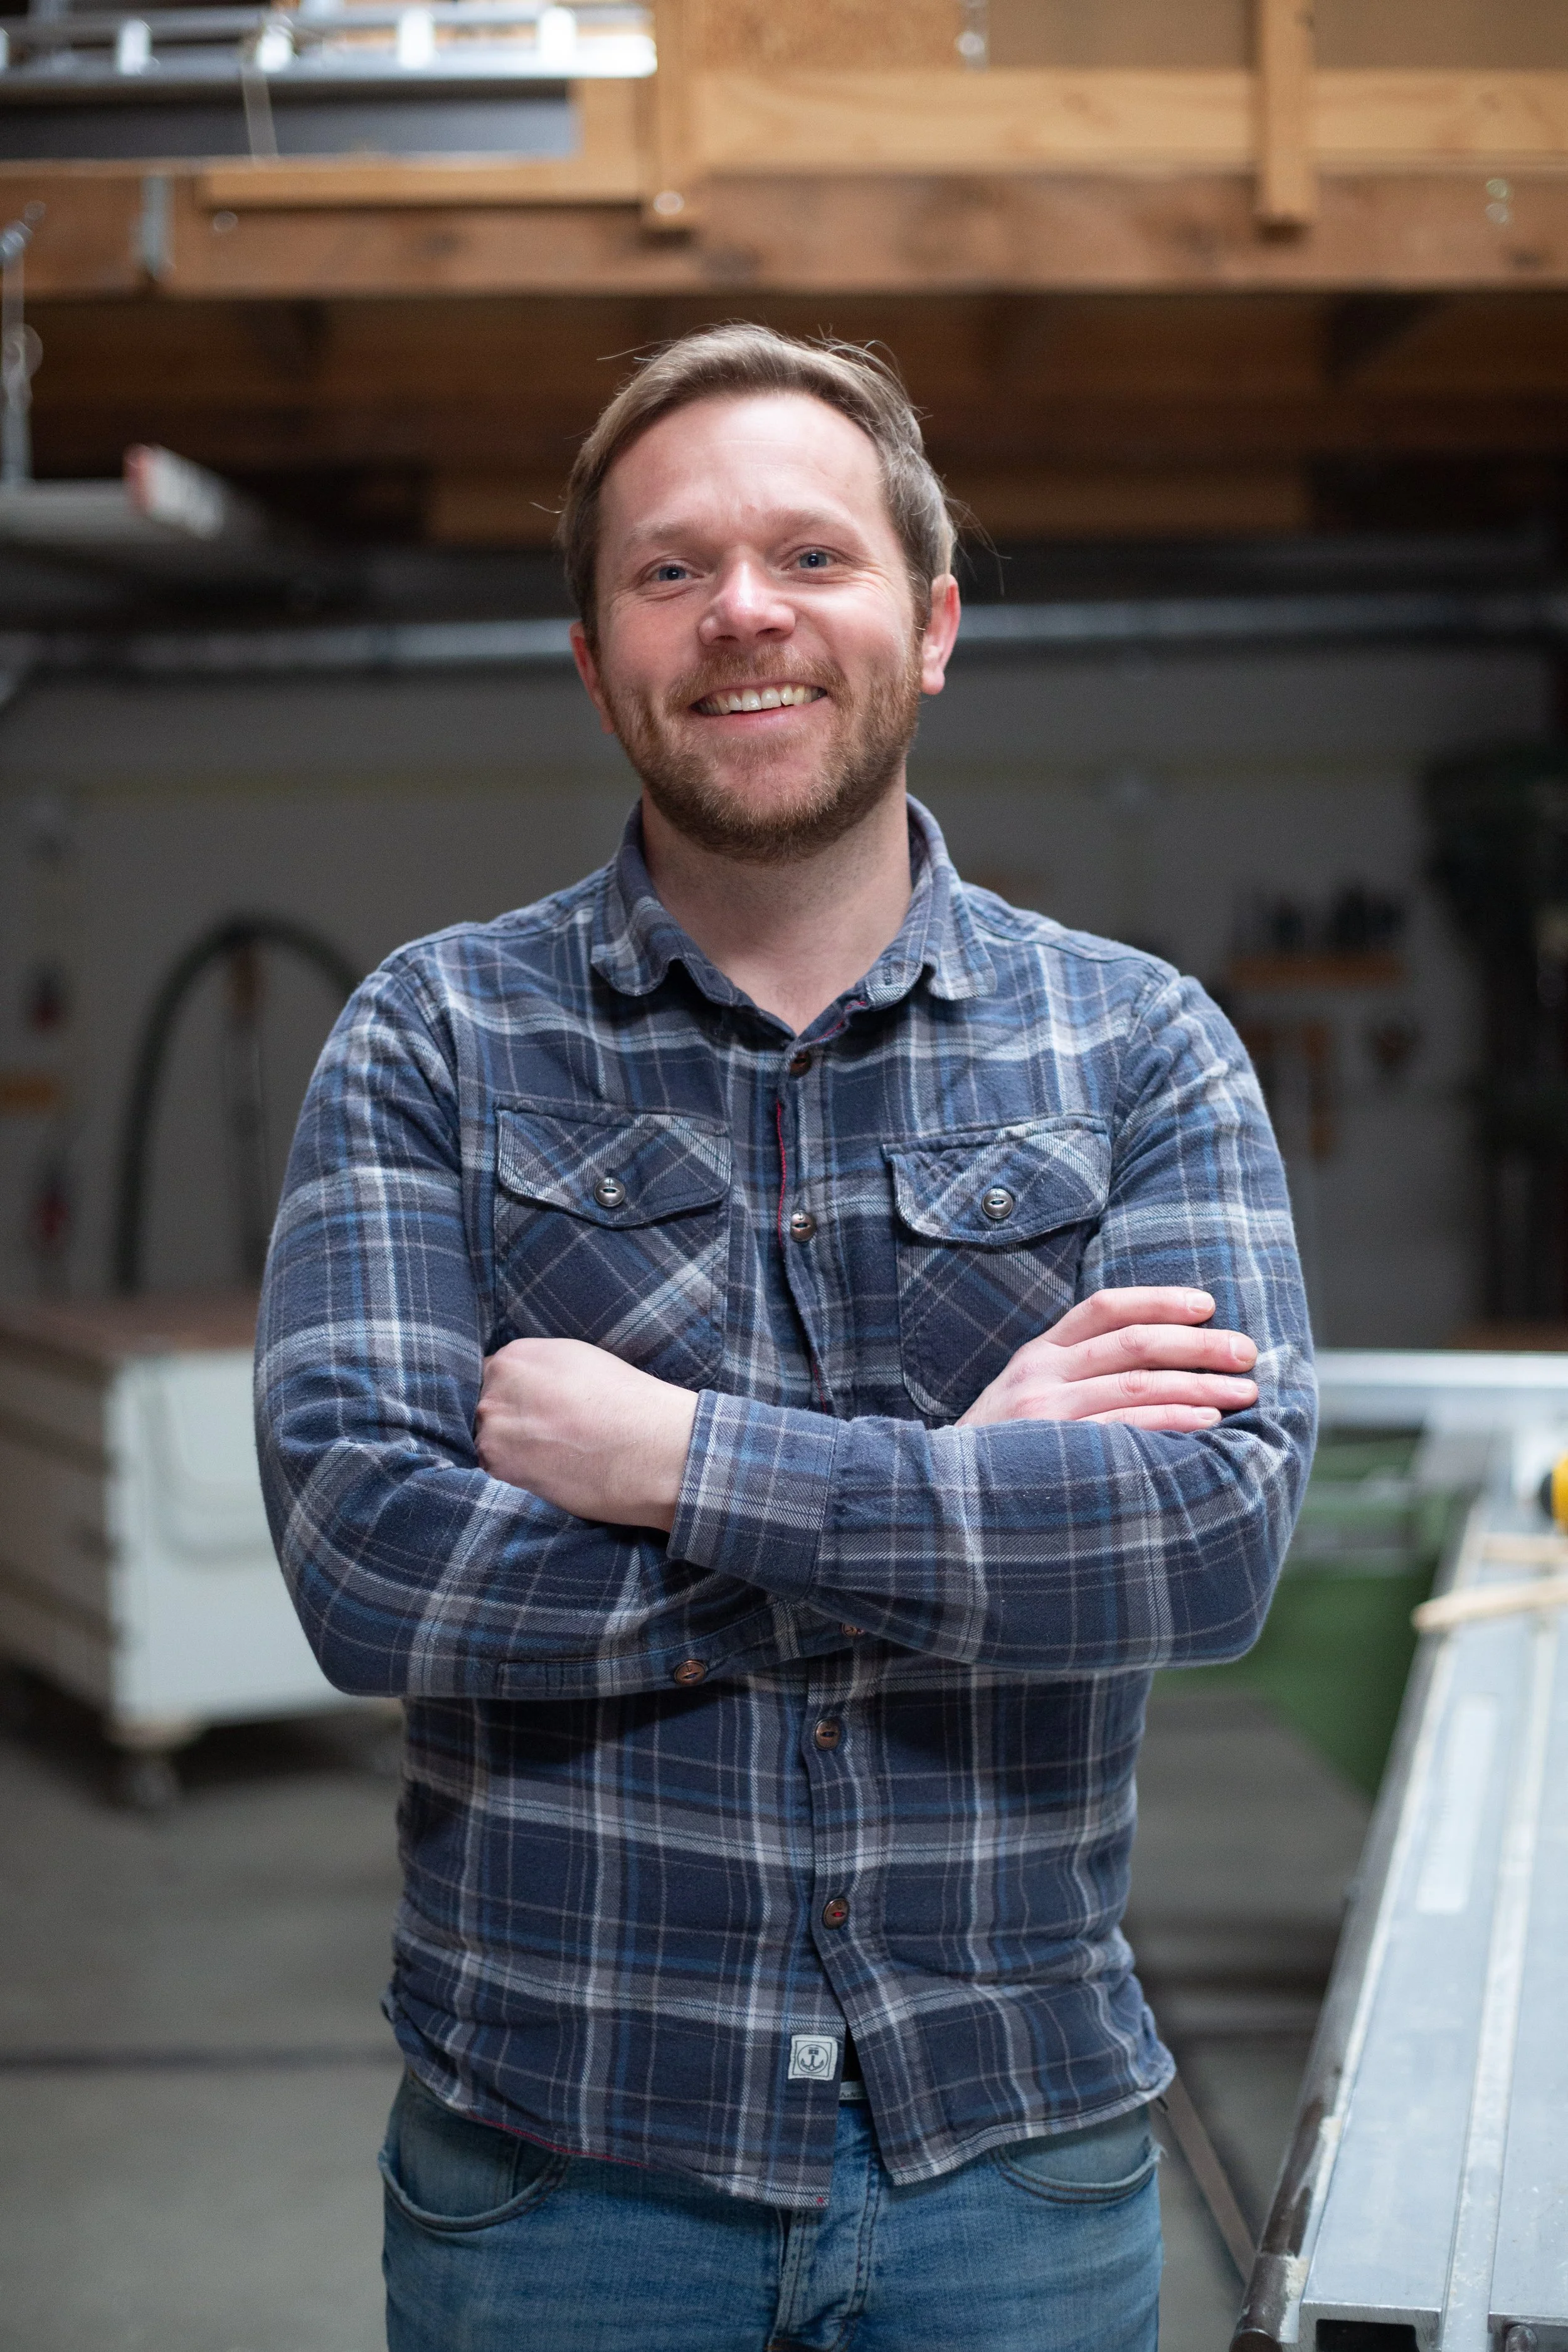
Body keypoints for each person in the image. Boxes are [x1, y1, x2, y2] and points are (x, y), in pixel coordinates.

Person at [256, 323, 1314, 2352]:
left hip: (1006, 2150)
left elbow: (1202, 1549)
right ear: (596, 662)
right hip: (563, 2164)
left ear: (930, 627)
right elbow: (368, 1566)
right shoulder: (435, 1037)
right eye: (671, 570)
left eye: (810, 556)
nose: (742, 609)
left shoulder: (1136, 1044)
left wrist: (674, 1462)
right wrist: (961, 1501)